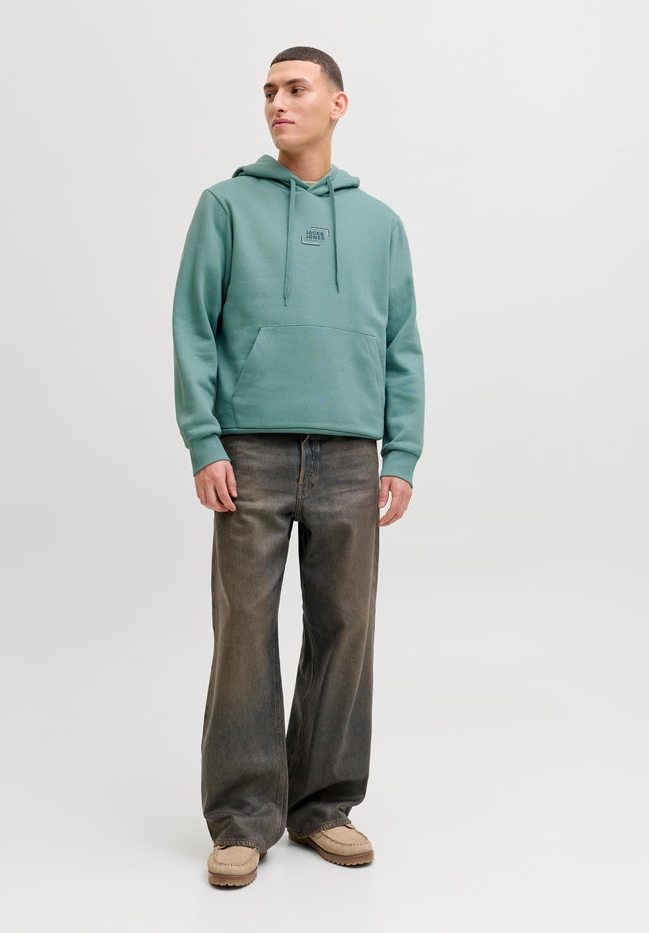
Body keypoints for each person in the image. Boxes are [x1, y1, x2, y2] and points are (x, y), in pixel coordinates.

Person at [172, 46, 425, 887]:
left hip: (351, 453)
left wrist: (402, 450)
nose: (277, 103)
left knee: (345, 626)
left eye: (295, 89)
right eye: (269, 91)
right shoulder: (225, 205)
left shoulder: (380, 224)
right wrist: (205, 440)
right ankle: (243, 816)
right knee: (244, 628)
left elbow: (402, 344)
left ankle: (324, 806)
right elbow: (193, 326)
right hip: (251, 450)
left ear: (337, 104)